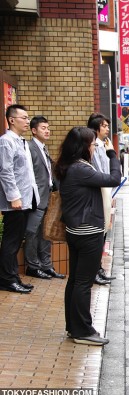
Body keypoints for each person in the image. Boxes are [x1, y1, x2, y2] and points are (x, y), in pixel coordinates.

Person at [55, 127, 121, 345]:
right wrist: (112, 154)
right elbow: (113, 179)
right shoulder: (80, 169)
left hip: (75, 230)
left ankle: (73, 326)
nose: (95, 148)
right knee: (83, 282)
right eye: (93, 144)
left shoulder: (68, 167)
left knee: (75, 280)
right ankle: (83, 331)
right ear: (83, 146)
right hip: (88, 231)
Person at [0, 105, 39, 293]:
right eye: (23, 117)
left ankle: (12, 276)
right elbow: (5, 172)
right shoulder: (6, 141)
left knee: (16, 241)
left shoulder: (21, 141)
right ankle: (7, 279)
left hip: (25, 198)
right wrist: (13, 197)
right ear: (11, 120)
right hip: (14, 202)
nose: (27, 120)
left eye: (27, 117)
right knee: (11, 241)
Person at [23, 116, 65, 280]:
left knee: (46, 233)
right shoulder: (30, 147)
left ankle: (46, 266)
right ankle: (32, 267)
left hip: (47, 197)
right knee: (32, 232)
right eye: (43, 128)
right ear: (34, 130)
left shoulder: (43, 148)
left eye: (48, 127)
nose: (47, 131)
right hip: (36, 198)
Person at [87, 113, 115, 286]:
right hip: (99, 191)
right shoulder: (93, 146)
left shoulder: (103, 145)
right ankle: (94, 270)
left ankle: (98, 269)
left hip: (106, 190)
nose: (107, 129)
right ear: (96, 128)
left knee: (103, 233)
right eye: (104, 126)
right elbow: (99, 170)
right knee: (99, 233)